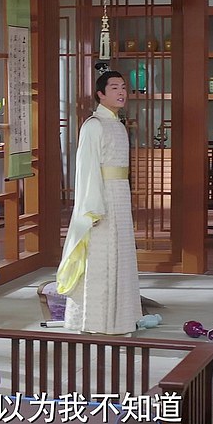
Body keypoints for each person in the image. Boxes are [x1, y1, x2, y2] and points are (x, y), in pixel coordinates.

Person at [57, 70, 142, 335]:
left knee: (120, 255)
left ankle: (120, 318)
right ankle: (96, 320)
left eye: (123, 87)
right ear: (100, 94)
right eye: (114, 87)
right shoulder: (93, 125)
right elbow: (87, 169)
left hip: (119, 194)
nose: (121, 92)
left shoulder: (118, 124)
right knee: (100, 257)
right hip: (101, 198)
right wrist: (92, 207)